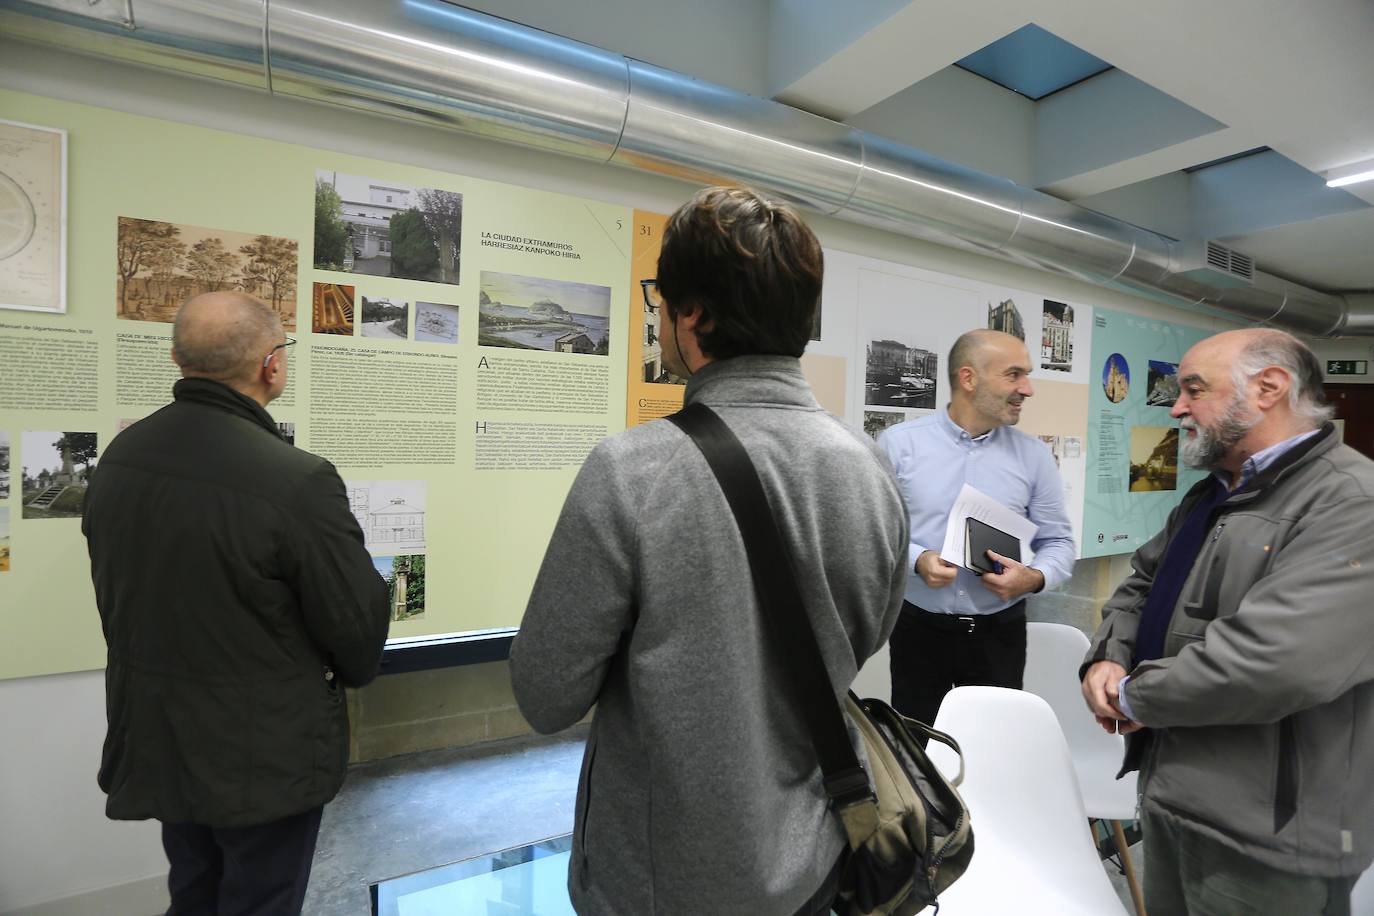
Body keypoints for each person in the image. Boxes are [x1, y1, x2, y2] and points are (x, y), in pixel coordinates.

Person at [509, 187, 909, 916]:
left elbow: (546, 695)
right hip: (819, 858)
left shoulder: (631, 471)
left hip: (663, 882)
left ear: (692, 314)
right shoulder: (871, 467)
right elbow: (867, 633)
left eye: (662, 300)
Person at [82, 291, 390, 915]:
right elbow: (355, 627)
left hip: (163, 732)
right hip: (263, 752)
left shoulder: (122, 457)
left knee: (194, 887)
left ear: (177, 359)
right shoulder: (295, 479)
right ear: (272, 365)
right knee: (260, 900)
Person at [1081, 328, 1374, 915]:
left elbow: (1275, 662)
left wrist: (1135, 696)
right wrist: (1108, 658)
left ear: (1269, 388)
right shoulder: (1214, 494)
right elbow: (1140, 586)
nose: (1176, 407)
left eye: (1194, 389)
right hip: (1173, 794)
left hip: (1270, 835)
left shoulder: (1350, 501)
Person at [877, 329, 1076, 727]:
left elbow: (1059, 542)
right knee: (918, 747)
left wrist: (1034, 578)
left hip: (999, 633)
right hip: (918, 628)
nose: (1028, 389)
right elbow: (877, 533)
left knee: (995, 745)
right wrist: (918, 560)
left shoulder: (1035, 457)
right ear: (968, 378)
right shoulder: (898, 445)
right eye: (1014, 374)